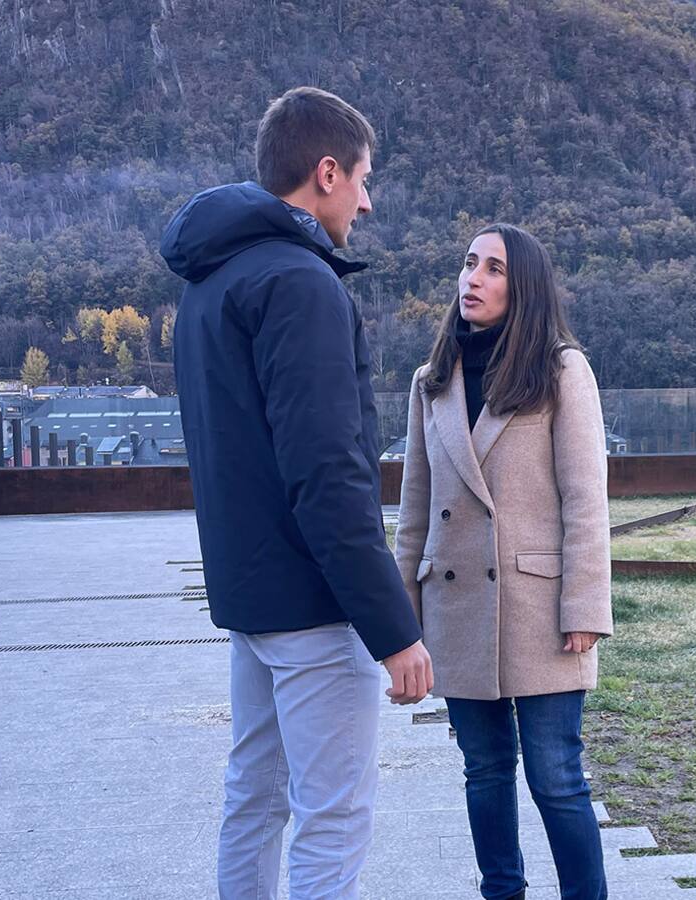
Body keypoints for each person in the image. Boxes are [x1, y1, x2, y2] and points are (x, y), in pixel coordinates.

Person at [160, 86, 433, 900]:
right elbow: (329, 472)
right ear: (327, 172)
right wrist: (393, 629)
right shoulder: (302, 284)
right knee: (332, 817)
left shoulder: (209, 284)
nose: (367, 201)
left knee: (254, 797)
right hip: (314, 605)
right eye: (363, 179)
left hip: (250, 599)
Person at [393, 223, 614, 900]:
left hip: (540, 607)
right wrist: (401, 625)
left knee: (556, 777)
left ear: (525, 289)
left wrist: (584, 607)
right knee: (484, 772)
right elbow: (414, 510)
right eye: (469, 264)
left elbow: (585, 498)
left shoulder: (560, 370)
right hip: (456, 606)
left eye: (494, 269)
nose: (473, 279)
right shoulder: (432, 381)